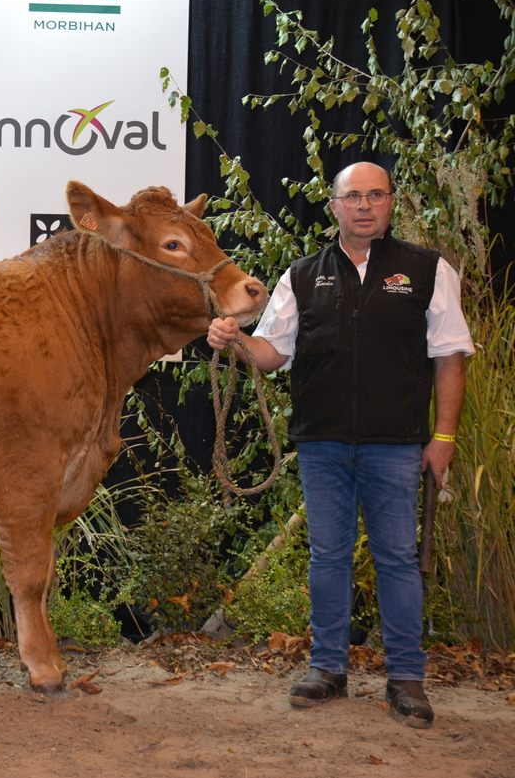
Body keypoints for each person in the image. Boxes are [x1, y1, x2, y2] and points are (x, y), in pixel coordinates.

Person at [207, 162, 473, 729]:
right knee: (327, 557)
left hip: (398, 444)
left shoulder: (426, 270)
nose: (365, 205)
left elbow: (450, 356)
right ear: (335, 206)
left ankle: (405, 679)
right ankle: (328, 670)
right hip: (323, 443)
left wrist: (443, 436)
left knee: (397, 560)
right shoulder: (302, 275)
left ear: (390, 203)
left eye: (376, 195)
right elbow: (272, 354)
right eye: (353, 196)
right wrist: (233, 341)